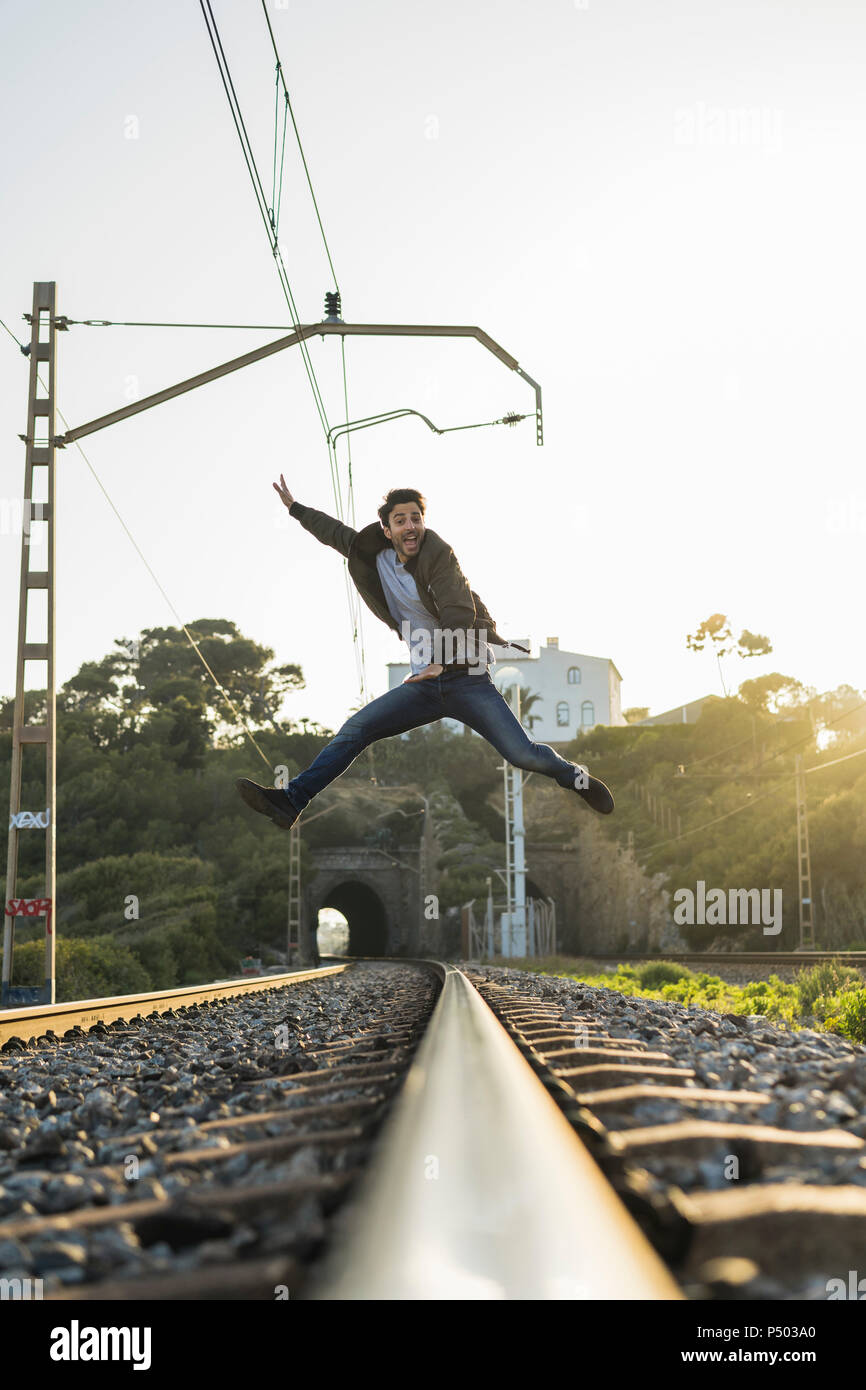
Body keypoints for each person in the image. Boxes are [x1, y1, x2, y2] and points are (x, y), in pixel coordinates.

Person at [236, 480, 614, 828]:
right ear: (387, 530)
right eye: (400, 520)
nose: (410, 526)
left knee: (523, 755)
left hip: (467, 679)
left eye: (416, 518)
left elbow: (458, 609)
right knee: (357, 730)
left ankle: (575, 777)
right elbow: (336, 535)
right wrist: (296, 509)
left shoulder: (440, 556)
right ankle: (291, 801)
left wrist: (441, 663)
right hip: (424, 686)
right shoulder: (376, 557)